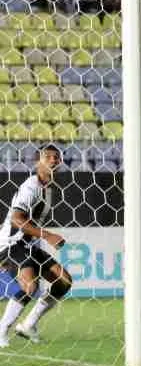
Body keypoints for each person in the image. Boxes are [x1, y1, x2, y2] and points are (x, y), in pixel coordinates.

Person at [0, 145, 72, 347]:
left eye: (56, 157)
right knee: (30, 285)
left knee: (63, 281)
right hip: (10, 243)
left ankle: (29, 324)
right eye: (47, 157)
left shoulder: (48, 188)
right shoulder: (31, 186)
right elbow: (16, 219)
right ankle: (2, 330)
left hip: (27, 244)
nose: (53, 160)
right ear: (37, 161)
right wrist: (47, 235)